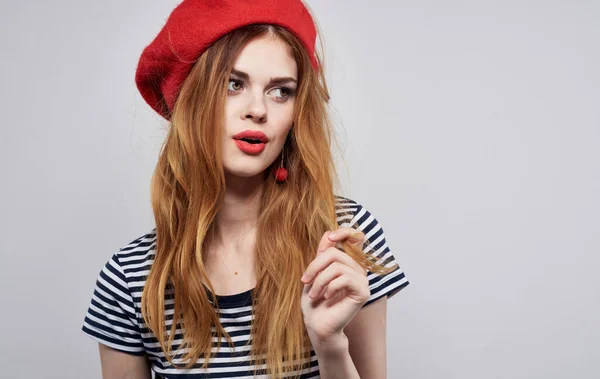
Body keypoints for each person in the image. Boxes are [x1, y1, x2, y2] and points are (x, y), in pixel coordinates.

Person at [80, 0, 410, 378]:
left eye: (281, 91)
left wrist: (329, 344)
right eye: (233, 84)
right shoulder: (130, 277)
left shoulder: (344, 238)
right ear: (191, 101)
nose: (258, 109)